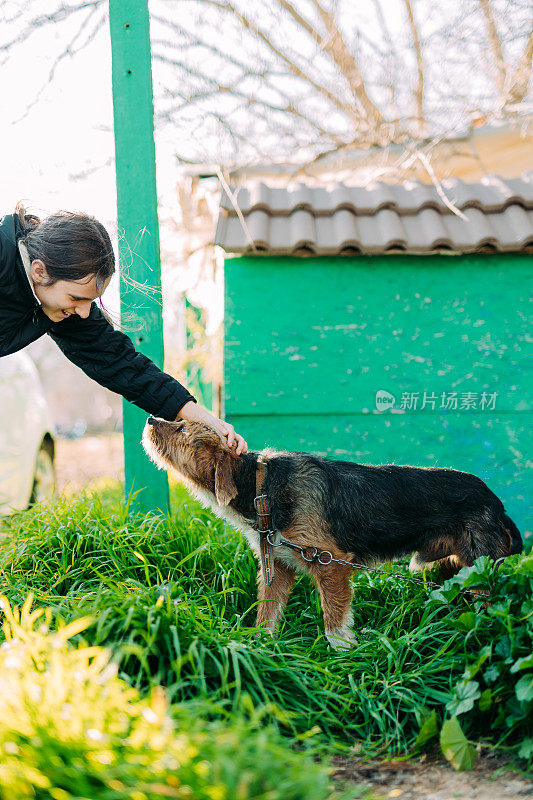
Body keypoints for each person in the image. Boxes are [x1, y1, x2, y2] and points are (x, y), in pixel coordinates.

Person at [0, 204, 248, 455]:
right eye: (76, 298)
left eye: (91, 301)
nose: (84, 312)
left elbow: (122, 364)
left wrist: (206, 421)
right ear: (39, 271)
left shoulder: (59, 305)